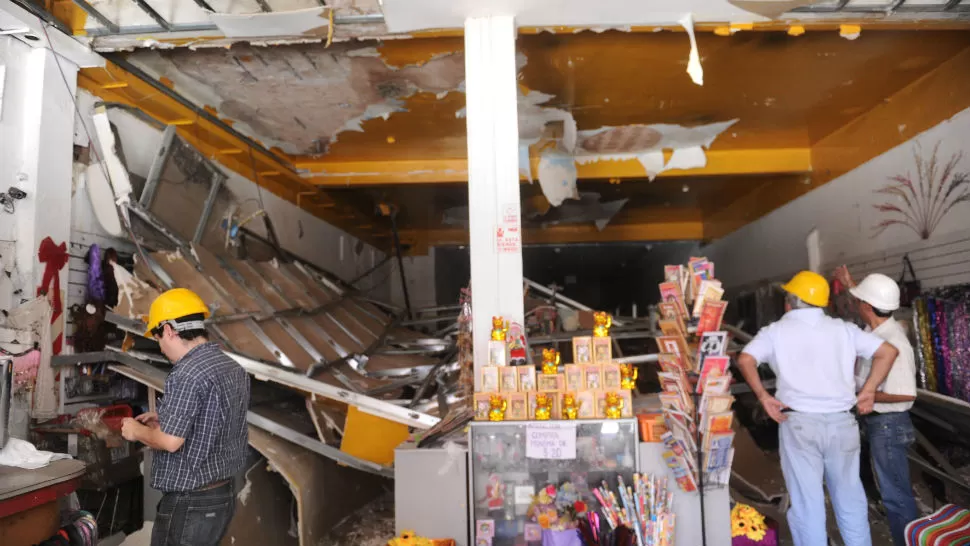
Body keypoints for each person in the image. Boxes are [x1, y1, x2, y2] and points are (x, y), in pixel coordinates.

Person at [736, 271, 899, 546]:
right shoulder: (844, 329)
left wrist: (764, 396)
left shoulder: (775, 332)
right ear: (822, 303)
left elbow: (745, 359)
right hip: (842, 425)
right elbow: (888, 352)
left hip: (799, 426)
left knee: (806, 504)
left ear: (790, 302)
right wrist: (869, 390)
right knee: (850, 498)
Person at [120, 288, 250, 546]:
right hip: (223, 495)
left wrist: (136, 431)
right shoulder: (232, 368)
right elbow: (214, 420)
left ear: (168, 329)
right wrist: (166, 419)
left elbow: (170, 442)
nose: (161, 346)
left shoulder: (186, 373)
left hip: (191, 503)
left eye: (158, 338)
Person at [836, 267, 919, 546]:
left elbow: (906, 395)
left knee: (896, 496)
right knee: (891, 492)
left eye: (859, 300)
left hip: (889, 426)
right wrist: (851, 285)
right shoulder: (874, 329)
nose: (855, 305)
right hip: (881, 425)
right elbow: (867, 308)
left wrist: (862, 394)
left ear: (868, 306)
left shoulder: (894, 342)